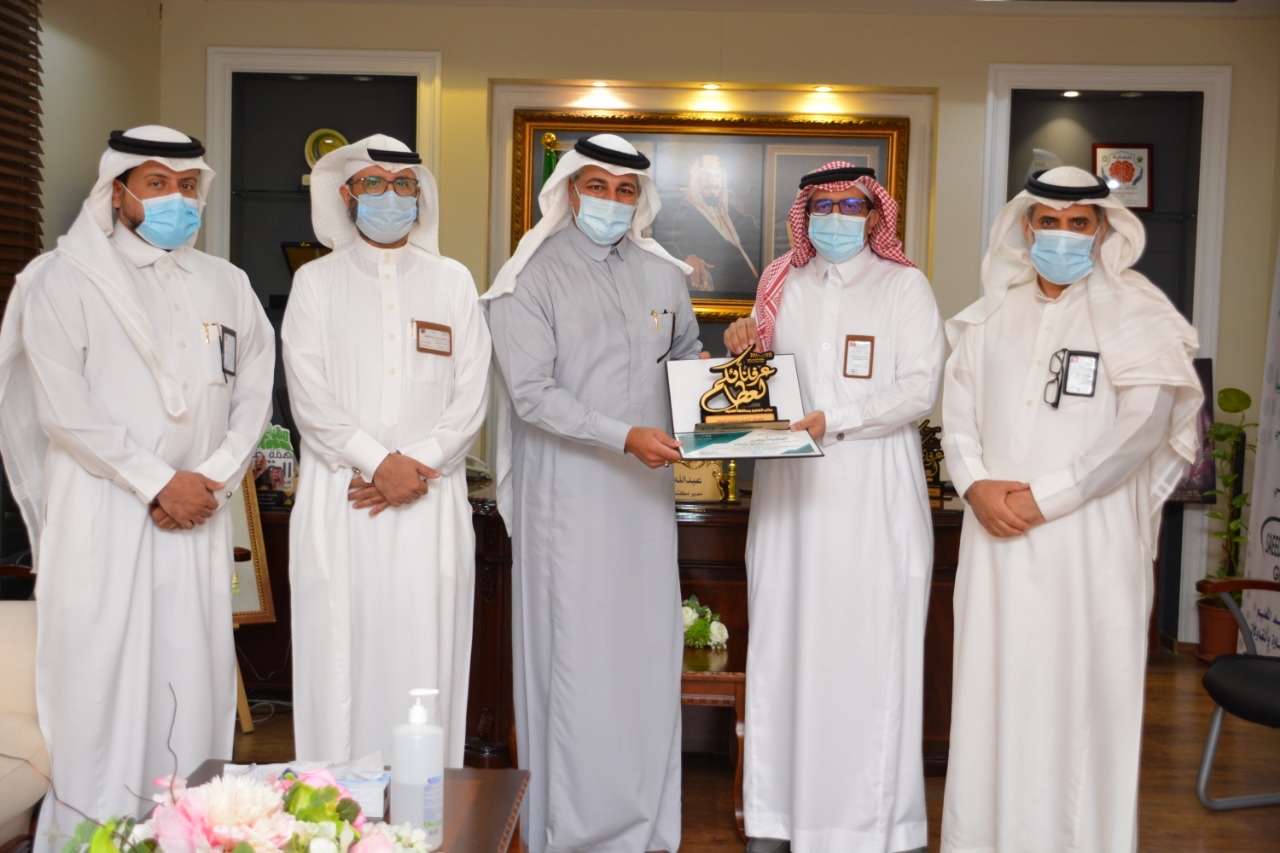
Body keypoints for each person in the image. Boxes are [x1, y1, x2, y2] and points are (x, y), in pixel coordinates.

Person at [0, 126, 274, 851]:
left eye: (187, 186)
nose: (176, 198)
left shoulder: (227, 283)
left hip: (198, 516)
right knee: (102, 689)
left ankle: (187, 836)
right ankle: (90, 838)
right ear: (117, 192)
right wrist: (157, 482)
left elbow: (254, 393)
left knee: (193, 683)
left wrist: (211, 479)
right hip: (105, 513)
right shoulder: (61, 279)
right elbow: (64, 410)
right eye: (157, 184)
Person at [939, 166, 1203, 852]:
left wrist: (1047, 496)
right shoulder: (991, 313)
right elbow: (957, 416)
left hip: (1088, 541)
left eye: (1077, 222)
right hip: (994, 536)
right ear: (1026, 228)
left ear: (1103, 229)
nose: (1062, 234)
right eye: (1048, 221)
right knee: (995, 695)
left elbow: (1142, 428)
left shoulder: (1139, 313)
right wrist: (976, 485)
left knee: (1082, 700)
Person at [485, 133, 702, 853]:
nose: (611, 200)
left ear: (641, 199)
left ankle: (645, 830)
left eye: (625, 189)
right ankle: (573, 834)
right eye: (597, 185)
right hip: (569, 499)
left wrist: (734, 388)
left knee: (644, 657)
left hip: (645, 501)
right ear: (570, 189)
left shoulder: (664, 276)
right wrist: (623, 436)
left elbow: (686, 363)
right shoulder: (530, 275)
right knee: (577, 662)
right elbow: (531, 394)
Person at [723, 162, 943, 853]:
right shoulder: (781, 283)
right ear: (805, 214)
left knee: (867, 655)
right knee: (784, 649)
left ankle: (873, 825)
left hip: (873, 496)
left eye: (852, 206)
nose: (837, 218)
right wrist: (740, 345)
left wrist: (835, 419)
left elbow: (920, 388)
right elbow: (754, 383)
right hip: (790, 499)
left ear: (875, 216)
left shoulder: (903, 286)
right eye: (823, 206)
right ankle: (776, 818)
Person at [282, 135, 490, 766]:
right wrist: (379, 464)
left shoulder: (453, 281)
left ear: (420, 196)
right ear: (346, 196)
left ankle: (424, 805)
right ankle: (335, 805)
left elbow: (472, 393)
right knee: (339, 654)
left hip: (430, 497)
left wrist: (414, 465)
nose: (389, 195)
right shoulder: (315, 282)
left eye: (402, 184)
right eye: (372, 182)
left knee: (425, 651)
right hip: (343, 496)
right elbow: (308, 396)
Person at [654, 153, 761, 292]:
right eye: (706, 176)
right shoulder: (683, 210)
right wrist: (689, 257)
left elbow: (752, 232)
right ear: (696, 181)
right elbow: (665, 242)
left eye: (717, 176)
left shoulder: (727, 210)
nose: (713, 182)